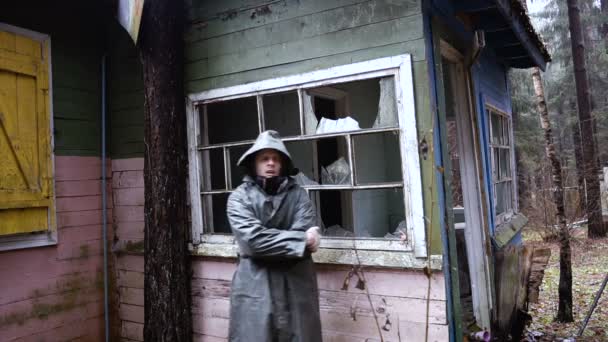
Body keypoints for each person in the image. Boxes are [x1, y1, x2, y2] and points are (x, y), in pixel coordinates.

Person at [226, 130, 323, 342]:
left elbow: (301, 225)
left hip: (295, 286)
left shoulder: (298, 196)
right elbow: (253, 242)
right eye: (264, 158)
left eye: (275, 158)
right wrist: (301, 240)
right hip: (255, 287)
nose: (270, 163)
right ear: (254, 163)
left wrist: (275, 242)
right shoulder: (239, 198)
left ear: (283, 164)